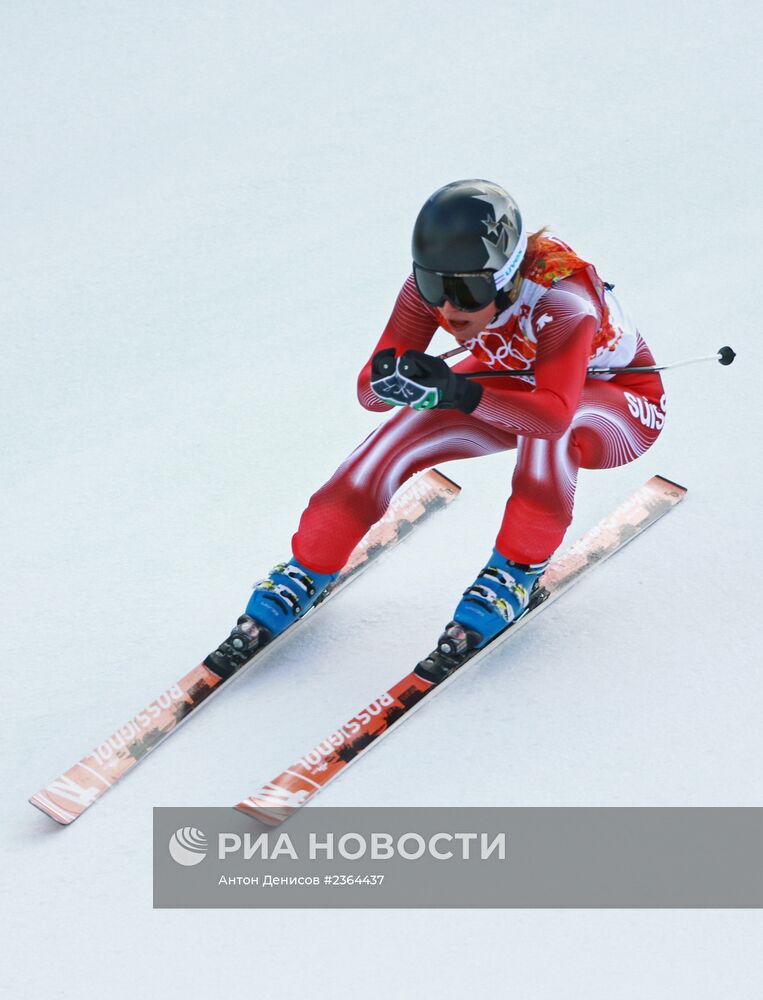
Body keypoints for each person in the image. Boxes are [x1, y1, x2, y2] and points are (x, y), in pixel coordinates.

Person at [244, 179, 666, 655]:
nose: (447, 307)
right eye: (433, 285)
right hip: (514, 380)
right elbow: (370, 394)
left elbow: (550, 415)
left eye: (467, 291)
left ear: (505, 277)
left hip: (621, 406)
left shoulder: (562, 299)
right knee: (397, 435)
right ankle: (308, 565)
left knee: (547, 436)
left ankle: (514, 572)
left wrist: (459, 393)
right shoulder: (436, 289)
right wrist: (396, 380)